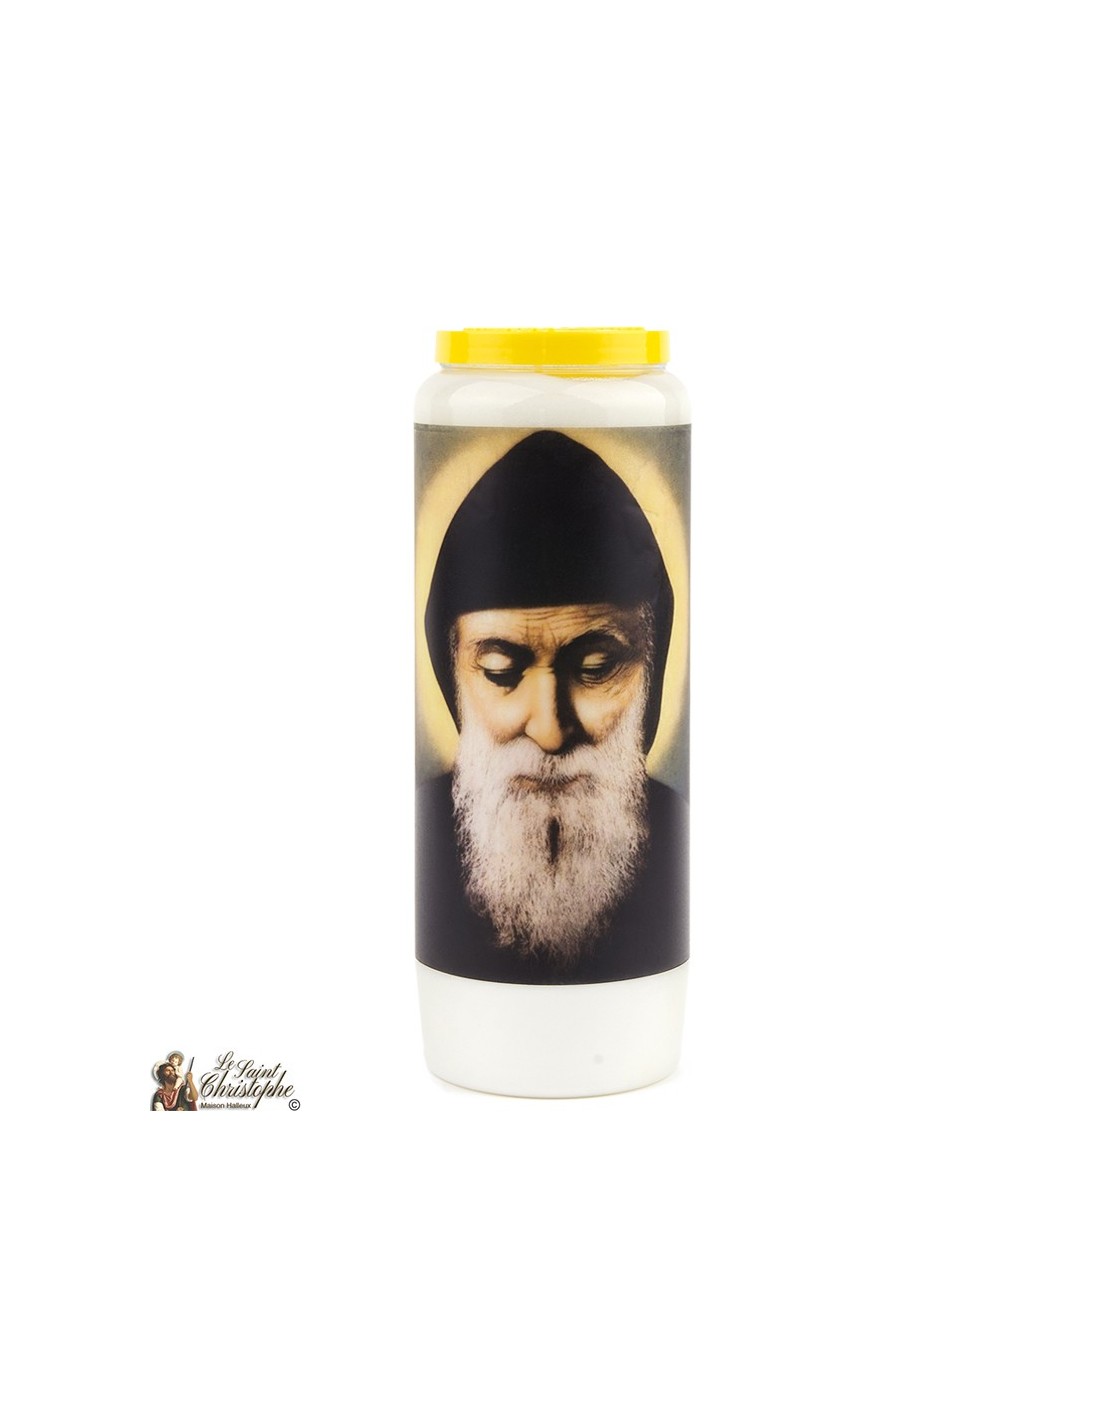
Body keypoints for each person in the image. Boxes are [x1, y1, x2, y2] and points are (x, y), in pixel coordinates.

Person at [418, 430, 687, 986]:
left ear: (652, 673)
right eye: (501, 672)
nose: (549, 729)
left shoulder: (685, 834)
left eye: (596, 668)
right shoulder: (419, 835)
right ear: (452, 679)